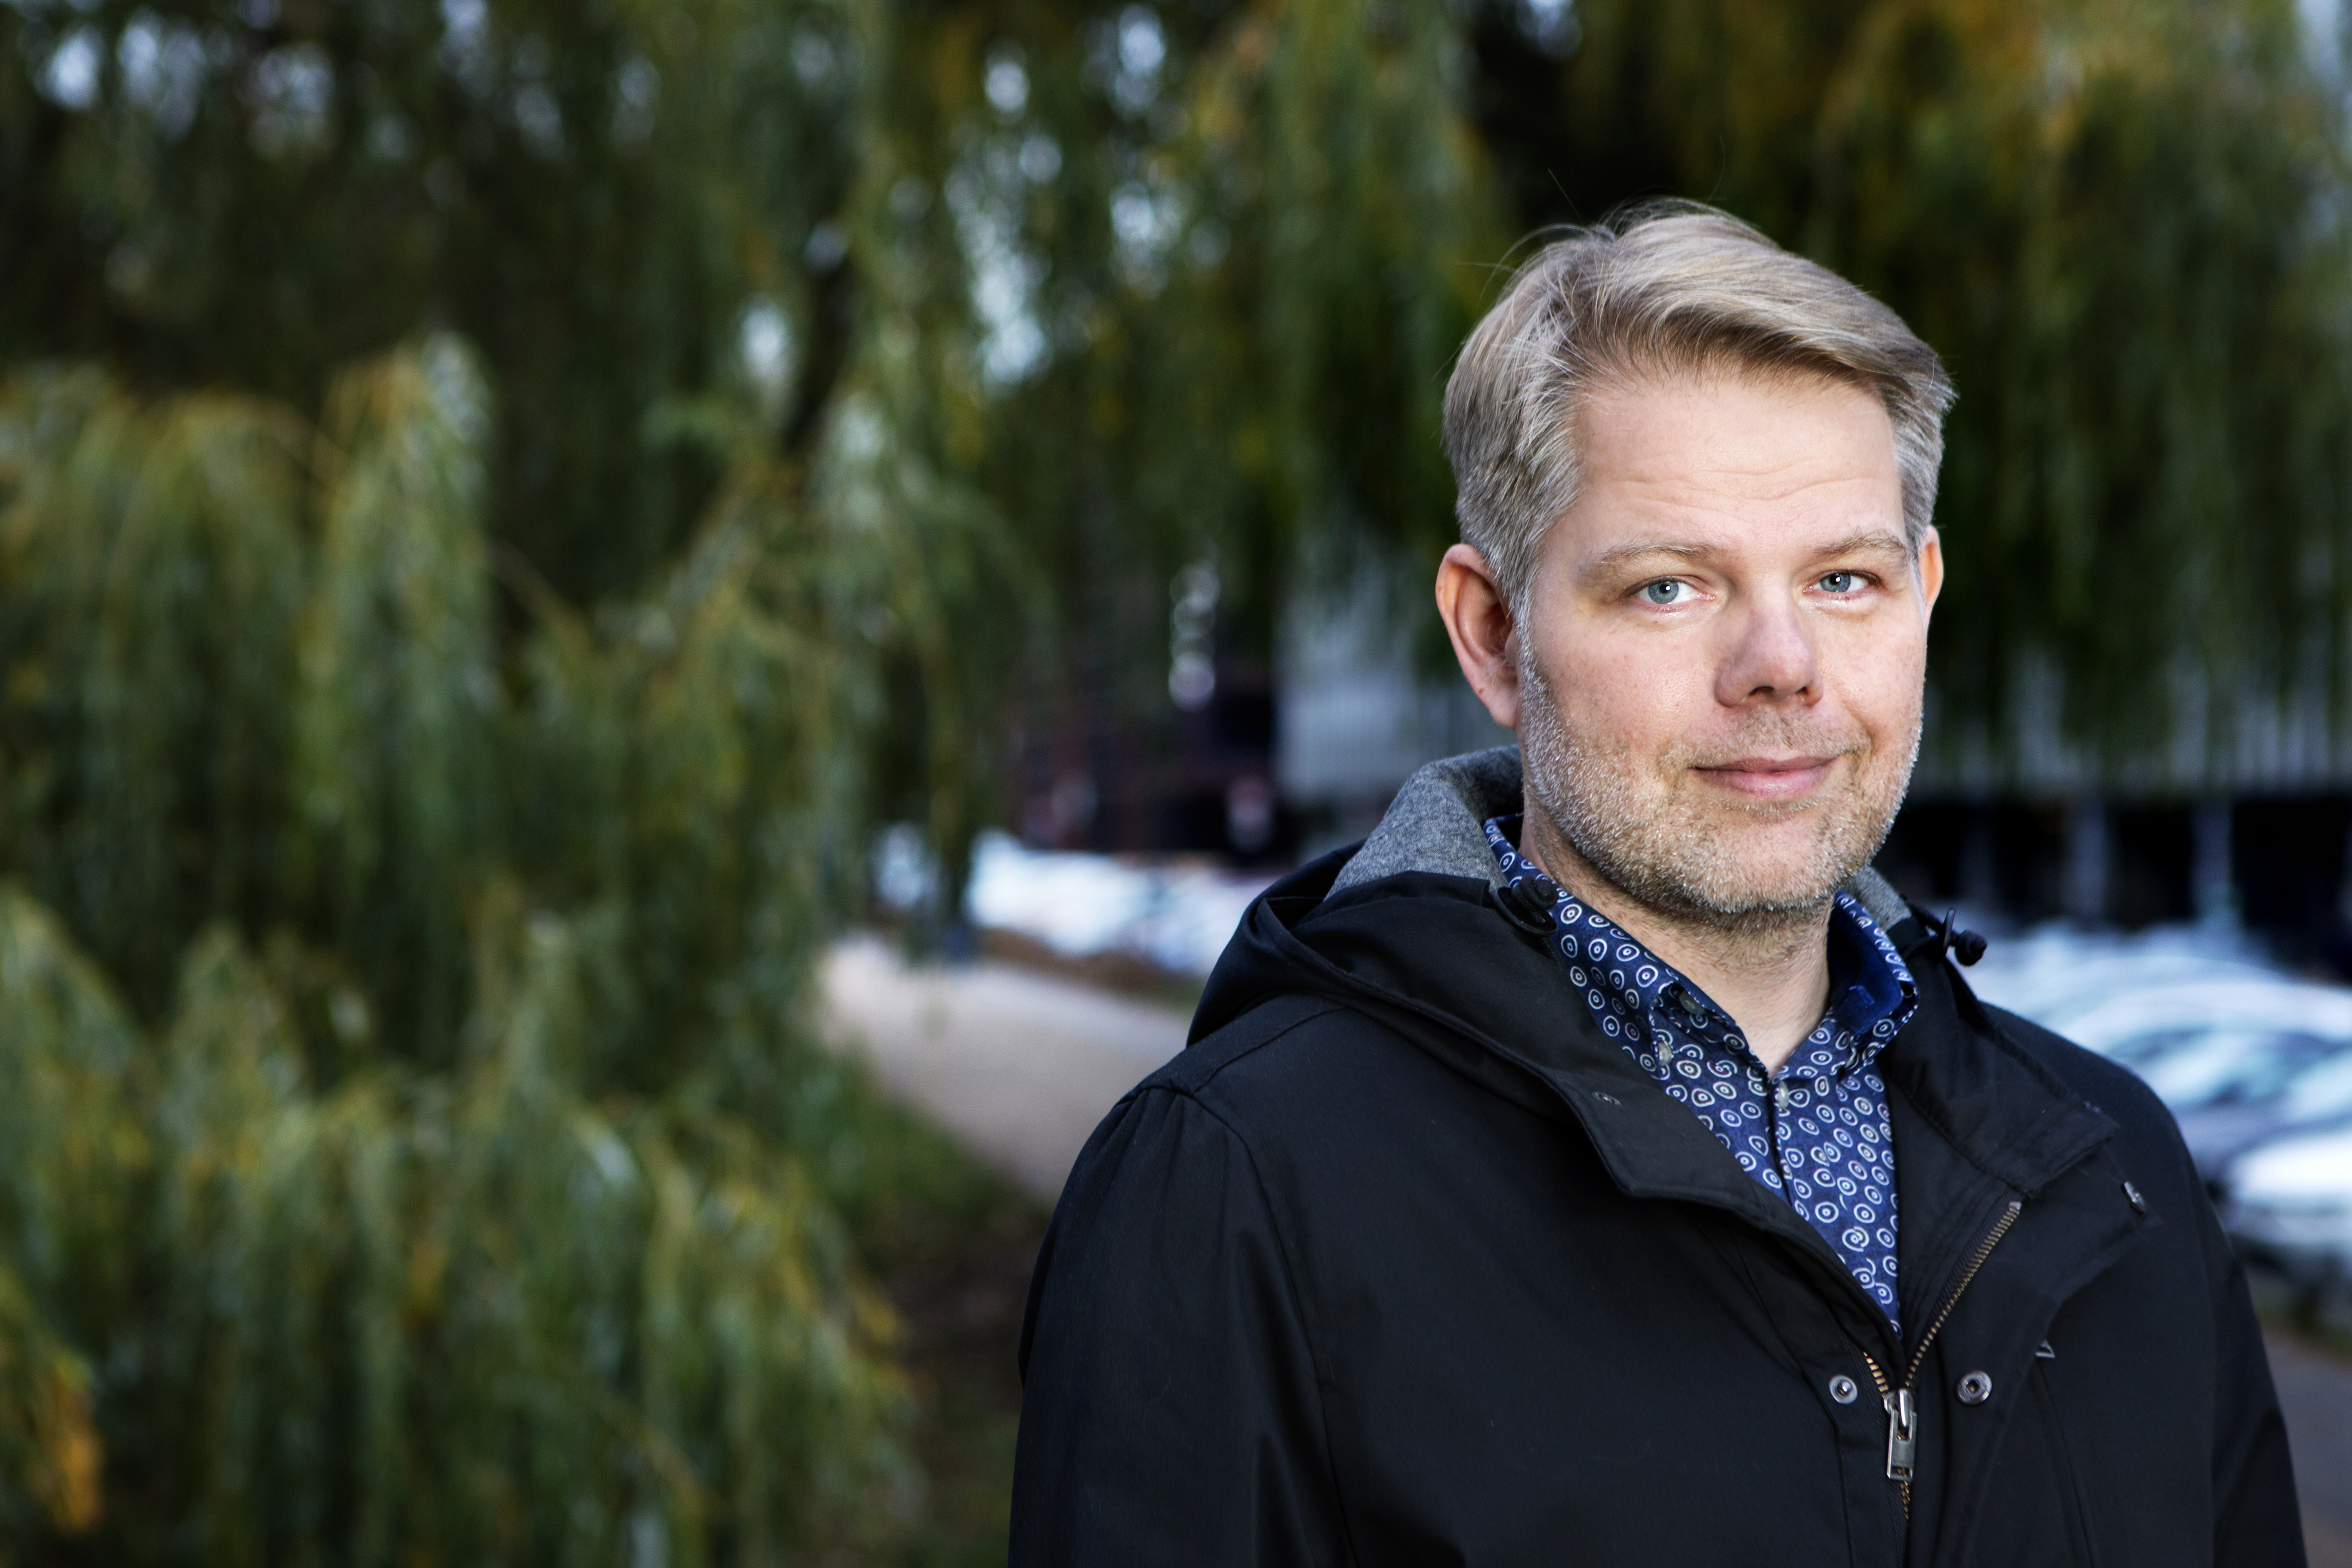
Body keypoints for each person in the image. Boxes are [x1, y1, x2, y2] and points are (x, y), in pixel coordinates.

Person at [1007, 202, 2305, 1566]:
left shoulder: (2120, 1169)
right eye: (1671, 588)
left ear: (1924, 598)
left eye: (1845, 579)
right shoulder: (1231, 1189)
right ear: (1495, 634)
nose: (1781, 664)